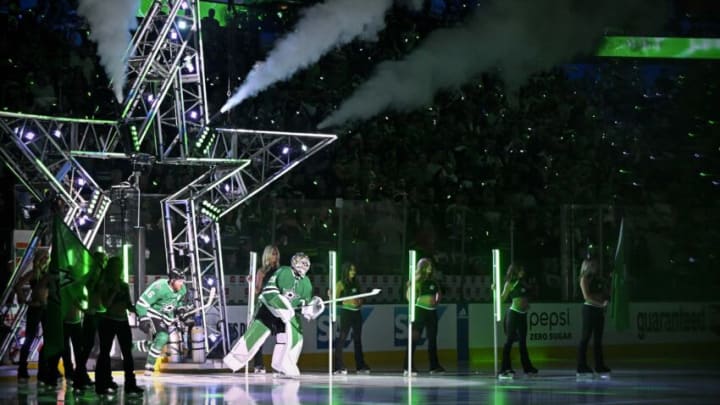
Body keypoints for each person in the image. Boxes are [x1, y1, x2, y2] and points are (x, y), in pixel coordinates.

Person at [223, 252, 325, 377]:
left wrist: (312, 309)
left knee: (295, 337)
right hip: (269, 309)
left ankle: (283, 364)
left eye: (306, 263)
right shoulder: (284, 271)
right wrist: (284, 307)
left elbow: (304, 305)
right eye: (302, 262)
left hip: (287, 315)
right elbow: (269, 292)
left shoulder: (307, 283)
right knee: (256, 334)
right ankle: (234, 360)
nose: (304, 265)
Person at [94, 256, 143, 396]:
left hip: (122, 321)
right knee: (104, 353)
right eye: (115, 267)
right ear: (110, 269)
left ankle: (130, 384)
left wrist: (137, 310)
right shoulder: (104, 284)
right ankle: (101, 383)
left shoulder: (124, 285)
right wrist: (114, 291)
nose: (118, 270)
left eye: (119, 267)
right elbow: (106, 305)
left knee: (127, 353)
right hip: (109, 320)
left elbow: (128, 304)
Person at [134, 268, 188, 376]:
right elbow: (141, 303)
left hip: (167, 318)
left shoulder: (182, 289)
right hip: (154, 315)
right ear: (172, 280)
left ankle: (130, 346)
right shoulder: (159, 287)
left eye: (182, 281)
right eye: (179, 281)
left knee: (159, 344)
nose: (181, 284)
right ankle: (149, 367)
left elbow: (179, 302)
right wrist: (143, 317)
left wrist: (181, 310)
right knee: (163, 337)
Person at [403, 257, 445, 375]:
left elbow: (439, 294)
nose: (430, 268)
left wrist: (436, 301)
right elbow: (408, 297)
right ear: (422, 267)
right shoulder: (416, 281)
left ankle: (434, 366)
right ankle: (408, 366)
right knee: (414, 340)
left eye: (431, 265)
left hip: (432, 312)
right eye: (428, 265)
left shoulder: (434, 281)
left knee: (432, 340)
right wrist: (411, 289)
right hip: (419, 312)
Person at [498, 263, 538, 379]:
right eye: (521, 270)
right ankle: (504, 369)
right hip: (513, 314)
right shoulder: (510, 283)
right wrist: (494, 291)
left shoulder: (523, 282)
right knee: (509, 341)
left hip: (522, 315)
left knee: (523, 343)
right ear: (516, 271)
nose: (523, 271)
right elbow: (502, 298)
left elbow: (527, 295)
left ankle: (527, 368)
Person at [15, 250, 50, 381]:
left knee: (48, 339)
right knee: (30, 338)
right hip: (36, 308)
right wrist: (26, 301)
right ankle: (22, 370)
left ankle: (43, 370)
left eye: (47, 257)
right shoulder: (34, 273)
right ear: (38, 259)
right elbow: (17, 286)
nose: (45, 260)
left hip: (45, 308)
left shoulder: (47, 273)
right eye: (43, 257)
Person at [332, 262, 370, 375]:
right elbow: (335, 298)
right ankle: (338, 365)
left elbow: (361, 297)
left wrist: (360, 301)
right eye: (351, 270)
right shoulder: (340, 283)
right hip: (346, 313)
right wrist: (332, 295)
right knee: (342, 338)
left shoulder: (356, 282)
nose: (353, 272)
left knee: (358, 340)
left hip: (357, 313)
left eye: (354, 270)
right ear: (346, 271)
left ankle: (360, 365)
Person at [577, 257, 611, 377]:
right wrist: (601, 304)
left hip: (598, 311)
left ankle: (599, 365)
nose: (596, 266)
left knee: (598, 339)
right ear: (587, 266)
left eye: (596, 264)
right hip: (589, 310)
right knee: (585, 338)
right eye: (593, 265)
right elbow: (587, 297)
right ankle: (581, 365)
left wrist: (605, 299)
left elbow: (605, 293)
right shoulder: (584, 279)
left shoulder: (598, 279)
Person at [249, 245, 280, 374]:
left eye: (276, 254)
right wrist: (251, 283)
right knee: (259, 336)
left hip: (278, 306)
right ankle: (259, 364)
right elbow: (257, 290)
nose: (275, 256)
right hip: (265, 306)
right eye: (273, 254)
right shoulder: (261, 272)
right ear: (267, 255)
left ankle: (280, 364)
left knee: (282, 336)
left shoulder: (281, 271)